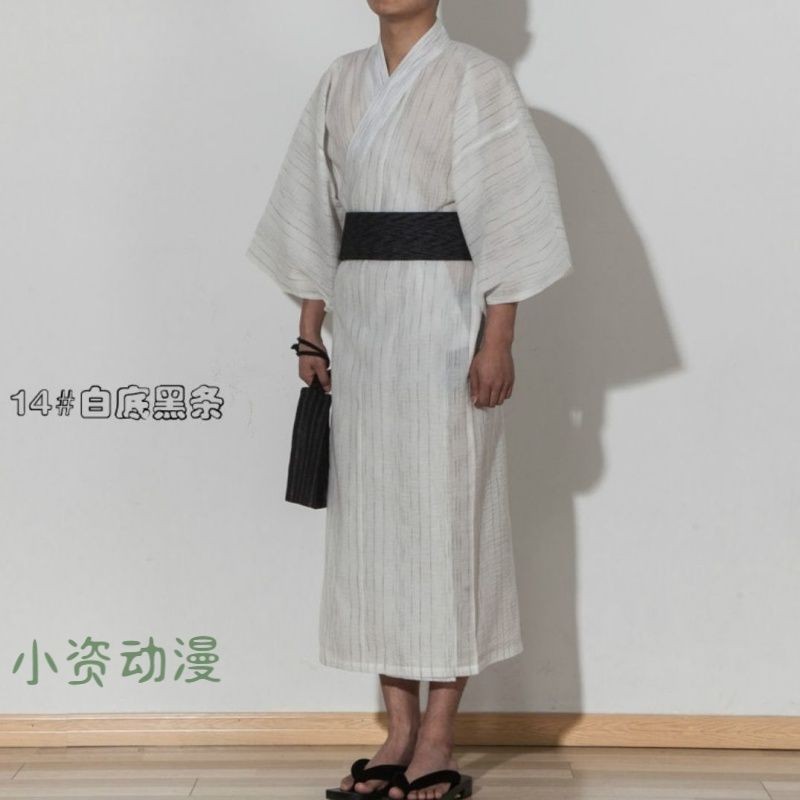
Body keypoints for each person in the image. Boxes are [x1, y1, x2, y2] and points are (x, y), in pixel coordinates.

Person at [245, 1, 573, 798]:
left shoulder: (476, 79)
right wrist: (310, 330)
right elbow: (316, 213)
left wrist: (499, 339)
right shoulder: (340, 81)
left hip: (445, 327)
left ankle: (438, 737)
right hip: (364, 332)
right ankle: (396, 731)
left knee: (449, 526)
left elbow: (511, 215)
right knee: (375, 531)